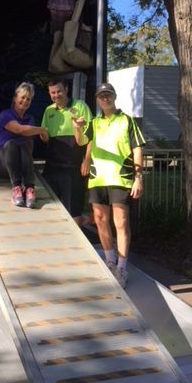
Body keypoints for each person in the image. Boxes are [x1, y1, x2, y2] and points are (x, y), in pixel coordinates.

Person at [73, 82, 145, 288]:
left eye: (108, 95)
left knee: (121, 223)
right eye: (101, 96)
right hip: (98, 179)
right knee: (100, 220)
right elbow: (80, 141)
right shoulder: (94, 123)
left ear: (114, 96)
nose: (105, 98)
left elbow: (137, 148)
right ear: (97, 99)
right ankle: (110, 262)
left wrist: (138, 177)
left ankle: (122, 267)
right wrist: (77, 129)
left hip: (121, 178)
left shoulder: (127, 121)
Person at [40, 78, 92, 224]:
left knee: (73, 215)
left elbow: (92, 137)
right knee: (50, 212)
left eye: (59, 91)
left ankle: (76, 245)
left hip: (73, 170)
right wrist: (41, 135)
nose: (56, 95)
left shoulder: (80, 106)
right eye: (53, 93)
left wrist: (87, 160)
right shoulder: (48, 110)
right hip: (51, 168)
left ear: (66, 89)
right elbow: (45, 137)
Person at [0, 82, 47, 208]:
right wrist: (42, 130)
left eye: (28, 99)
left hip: (21, 168)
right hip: (1, 165)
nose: (25, 101)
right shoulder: (5, 114)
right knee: (12, 143)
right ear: (15, 98)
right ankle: (16, 187)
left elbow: (30, 146)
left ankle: (29, 189)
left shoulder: (30, 119)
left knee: (25, 145)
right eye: (22, 97)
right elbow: (19, 130)